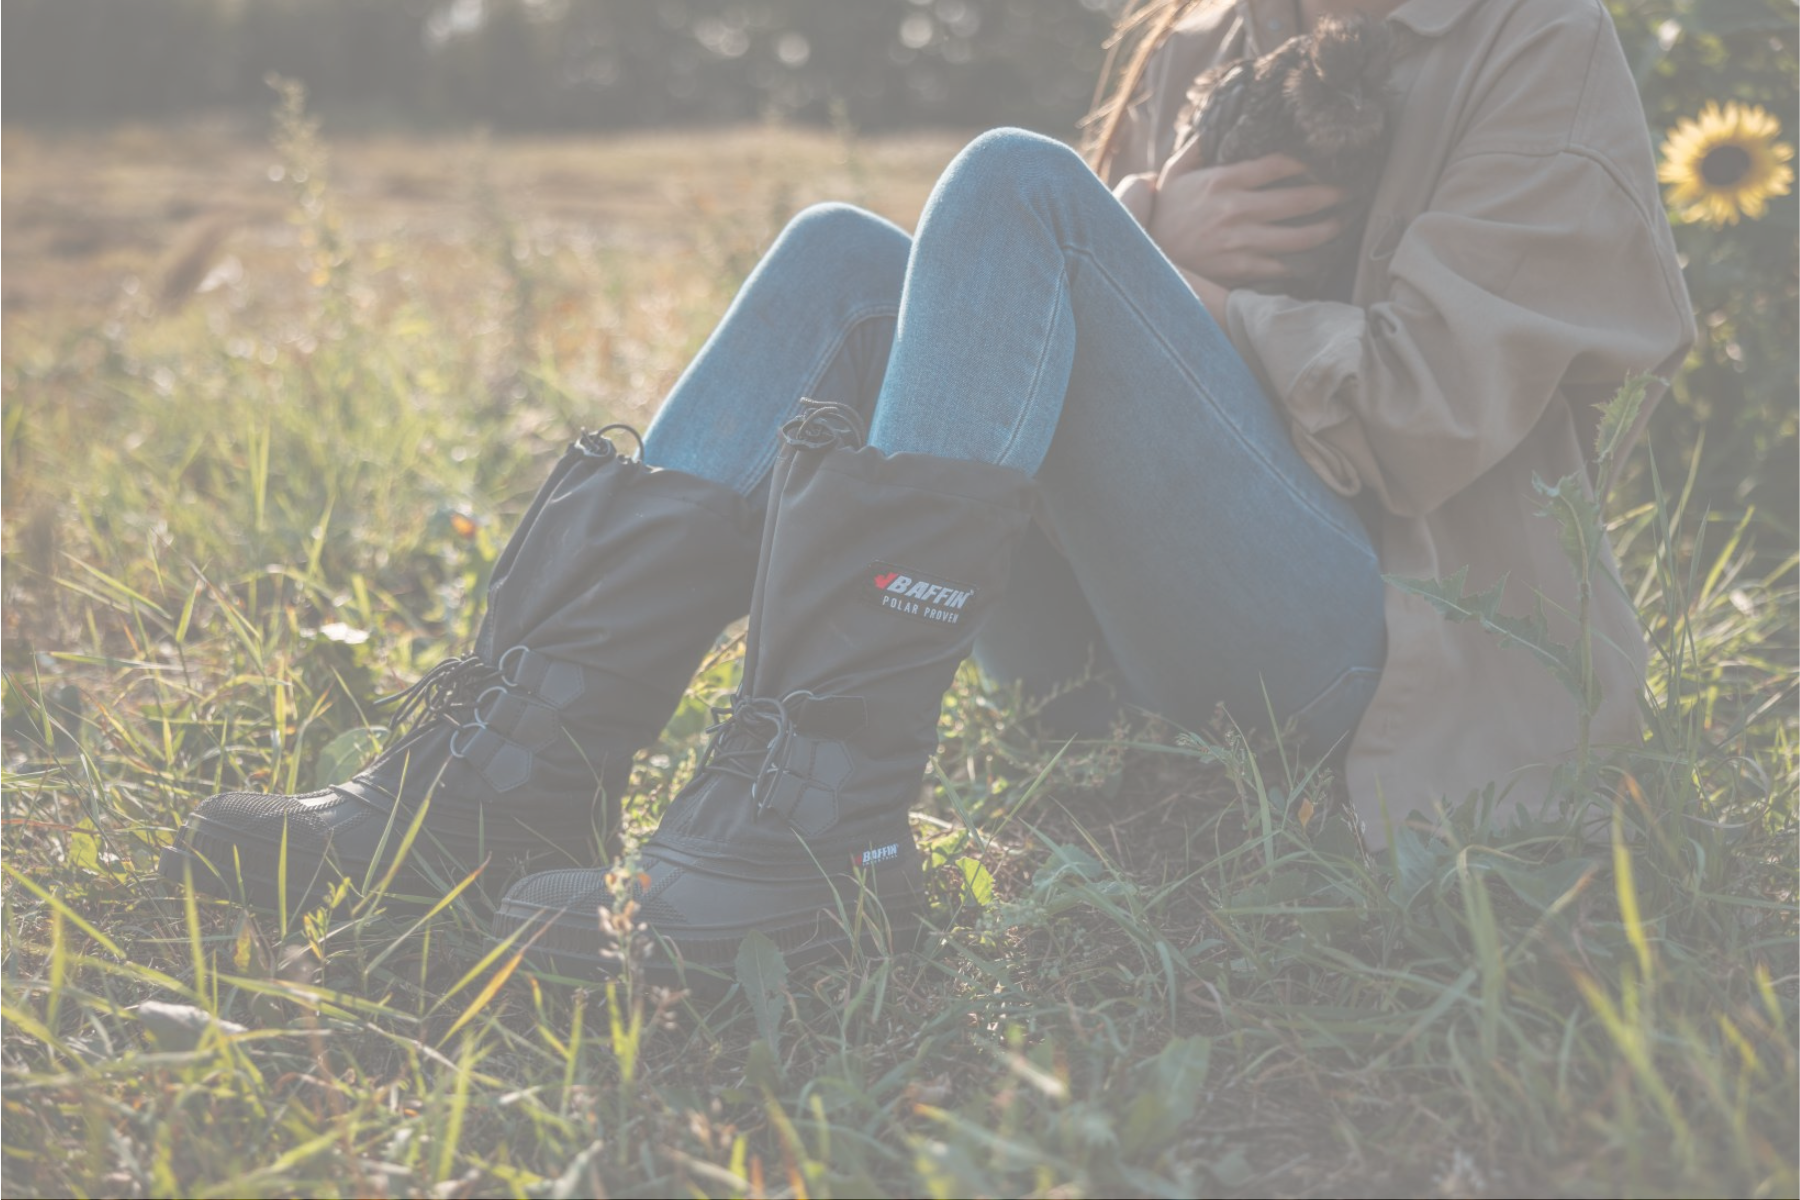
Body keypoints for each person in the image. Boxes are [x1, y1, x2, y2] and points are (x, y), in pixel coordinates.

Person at [162, 0, 1695, 985]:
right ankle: (508, 779)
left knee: (1016, 176)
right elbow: (1018, 306)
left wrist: (1189, 293)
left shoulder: (1532, 40)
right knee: (845, 255)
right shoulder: (1209, 33)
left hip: (1379, 649)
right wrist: (1148, 221)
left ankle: (813, 843)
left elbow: (1430, 415)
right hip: (1101, 641)